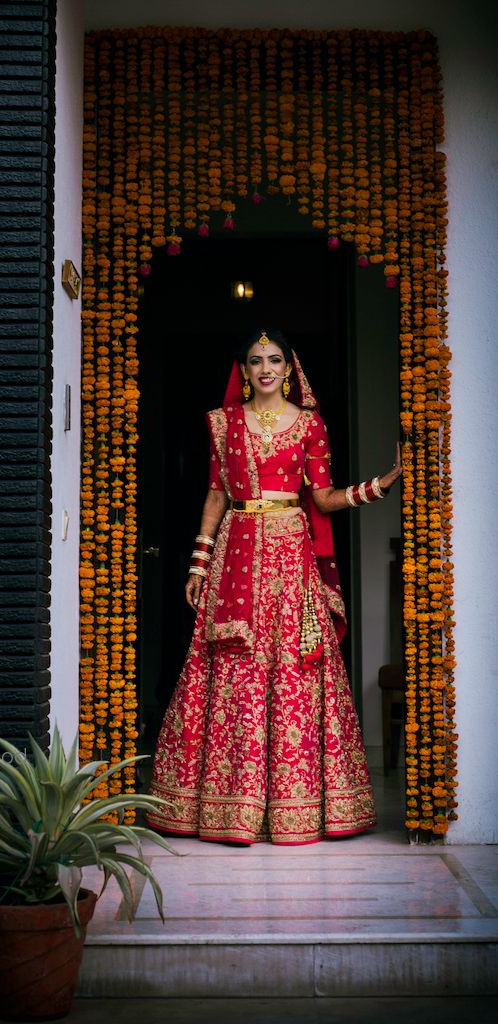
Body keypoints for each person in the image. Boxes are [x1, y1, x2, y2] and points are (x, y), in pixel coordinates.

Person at [146, 328, 402, 845]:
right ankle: (227, 807)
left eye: (275, 359)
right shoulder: (221, 423)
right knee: (232, 666)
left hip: (290, 557)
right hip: (236, 553)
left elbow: (324, 499)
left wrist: (379, 485)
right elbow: (216, 495)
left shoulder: (310, 424)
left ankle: (297, 805)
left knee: (294, 667)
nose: (265, 367)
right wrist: (197, 565)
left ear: (289, 369)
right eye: (255, 360)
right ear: (242, 370)